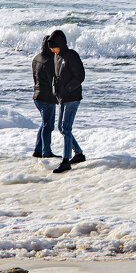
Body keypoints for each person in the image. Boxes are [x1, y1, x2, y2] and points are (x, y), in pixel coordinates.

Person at [48, 29, 86, 173]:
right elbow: (57, 77)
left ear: (60, 44)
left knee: (66, 128)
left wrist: (68, 88)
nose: (52, 50)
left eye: (53, 46)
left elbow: (80, 76)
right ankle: (79, 154)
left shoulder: (71, 55)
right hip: (62, 98)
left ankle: (65, 161)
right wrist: (56, 91)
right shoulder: (57, 56)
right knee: (61, 128)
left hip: (72, 97)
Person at [31, 35, 57, 158]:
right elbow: (54, 81)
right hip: (47, 97)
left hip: (37, 96)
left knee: (45, 124)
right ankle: (46, 152)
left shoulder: (36, 58)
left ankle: (38, 150)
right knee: (48, 125)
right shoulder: (49, 61)